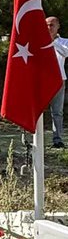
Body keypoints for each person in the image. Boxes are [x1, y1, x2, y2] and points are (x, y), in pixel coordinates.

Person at [45, 15, 68, 148]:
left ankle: (57, 140)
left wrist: (51, 42)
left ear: (58, 26)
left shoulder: (64, 41)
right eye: (47, 25)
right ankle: (35, 138)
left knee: (57, 112)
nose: (49, 27)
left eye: (52, 25)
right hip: (41, 80)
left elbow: (65, 53)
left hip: (58, 79)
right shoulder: (37, 41)